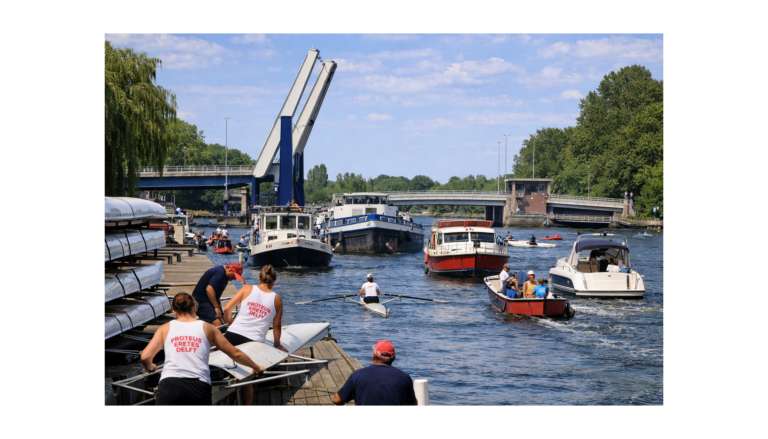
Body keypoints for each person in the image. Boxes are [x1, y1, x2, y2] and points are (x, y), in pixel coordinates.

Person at [140, 293, 265, 405]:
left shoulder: (164, 328)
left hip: (169, 385)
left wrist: (150, 367)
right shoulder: (208, 328)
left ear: (174, 312)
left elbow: (145, 356)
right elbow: (235, 354)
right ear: (194, 308)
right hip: (198, 386)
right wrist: (256, 367)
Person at [222, 265, 287, 405]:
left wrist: (230, 323)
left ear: (259, 279)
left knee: (225, 367)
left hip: (232, 335)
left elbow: (227, 308)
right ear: (274, 282)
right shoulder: (277, 299)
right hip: (254, 342)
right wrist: (277, 344)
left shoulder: (246, 289)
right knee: (246, 379)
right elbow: (276, 326)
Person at [332, 340, 417, 406]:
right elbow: (413, 404)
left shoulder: (358, 375)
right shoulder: (404, 377)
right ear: (393, 358)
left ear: (374, 356)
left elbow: (337, 400)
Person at [191, 261, 245, 326]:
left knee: (226, 323)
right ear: (230, 270)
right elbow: (209, 289)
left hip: (209, 302)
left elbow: (215, 291)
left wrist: (218, 304)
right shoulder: (220, 273)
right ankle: (192, 325)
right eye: (235, 276)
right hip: (201, 302)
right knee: (219, 325)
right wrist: (216, 307)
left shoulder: (224, 275)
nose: (235, 279)